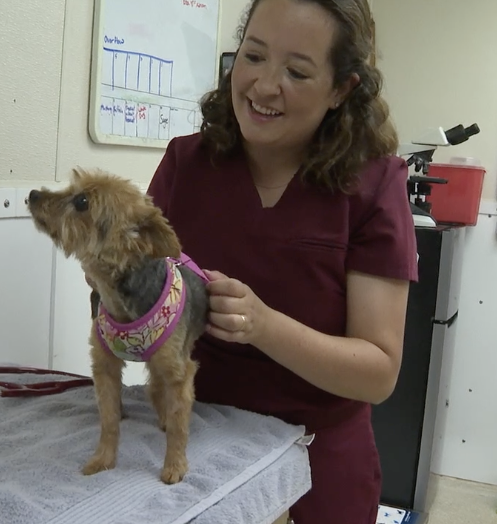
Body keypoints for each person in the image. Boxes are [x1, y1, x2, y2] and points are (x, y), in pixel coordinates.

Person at [145, 0, 418, 522]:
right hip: (195, 438)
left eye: (296, 72)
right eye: (253, 56)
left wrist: (263, 326)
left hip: (320, 457)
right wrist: (119, 296)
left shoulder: (373, 186)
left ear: (342, 89)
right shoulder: (186, 164)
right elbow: (138, 296)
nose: (264, 86)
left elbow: (378, 372)